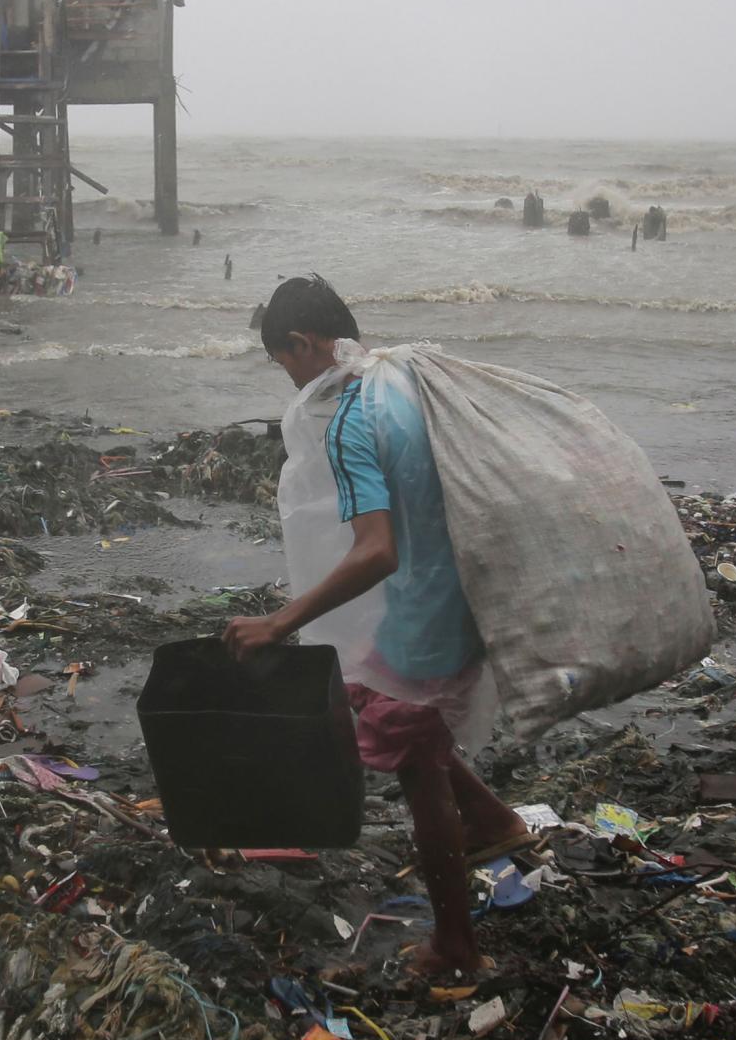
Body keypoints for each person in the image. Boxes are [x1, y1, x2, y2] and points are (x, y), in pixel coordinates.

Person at [223, 275, 529, 977]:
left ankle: (455, 943)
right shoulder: (405, 378)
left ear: (302, 343)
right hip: (462, 590)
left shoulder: (353, 419)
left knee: (414, 757)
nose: (289, 379)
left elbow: (376, 548)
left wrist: (280, 620)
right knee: (384, 706)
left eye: (284, 362)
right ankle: (494, 819)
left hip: (424, 614)